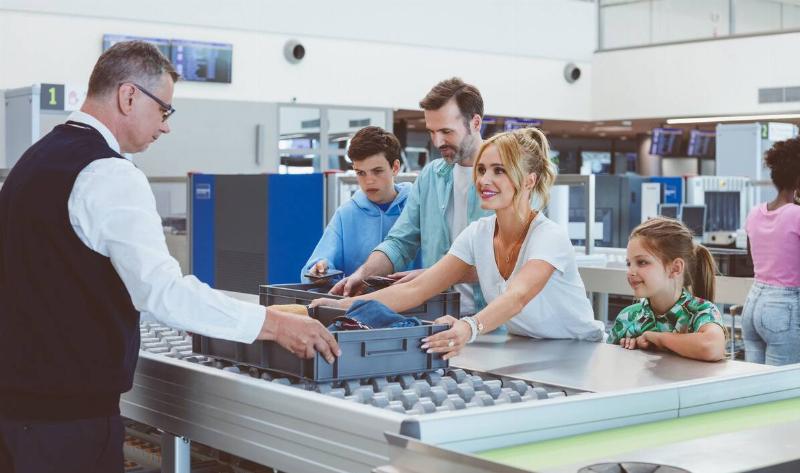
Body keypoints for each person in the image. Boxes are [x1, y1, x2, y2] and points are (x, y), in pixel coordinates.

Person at [0, 41, 339, 473]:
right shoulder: (108, 173)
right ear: (128, 96)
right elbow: (161, 294)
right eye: (164, 111)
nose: (165, 128)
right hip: (69, 425)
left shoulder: (32, 161)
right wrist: (273, 324)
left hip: (17, 414)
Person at [313, 128, 605, 359]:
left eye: (499, 171)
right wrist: (344, 305)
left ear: (529, 181)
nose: (485, 180)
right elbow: (416, 288)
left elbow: (517, 296)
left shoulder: (548, 236)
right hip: (526, 349)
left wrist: (469, 326)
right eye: (482, 170)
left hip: (581, 353)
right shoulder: (477, 233)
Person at [331, 78, 493, 316]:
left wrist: (435, 275)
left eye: (446, 131)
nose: (437, 142)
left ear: (475, 122)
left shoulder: (509, 179)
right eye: (432, 132)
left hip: (494, 323)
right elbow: (400, 242)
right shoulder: (430, 177)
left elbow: (510, 262)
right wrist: (362, 274)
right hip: (439, 319)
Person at [301, 126, 420, 282]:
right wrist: (319, 270)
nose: (369, 180)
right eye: (360, 173)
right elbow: (316, 265)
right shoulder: (346, 214)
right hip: (358, 304)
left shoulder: (417, 209)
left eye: (377, 171)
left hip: (414, 304)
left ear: (395, 167)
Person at [607, 217, 726, 362]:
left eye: (642, 262)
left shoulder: (702, 312)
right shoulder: (627, 318)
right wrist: (628, 350)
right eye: (629, 263)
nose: (631, 272)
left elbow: (711, 347)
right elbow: (610, 367)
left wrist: (657, 338)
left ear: (675, 268)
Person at [741, 137, 800, 365]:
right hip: (784, 308)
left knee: (757, 387)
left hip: (754, 302)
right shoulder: (796, 215)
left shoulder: (755, 213)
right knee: (784, 387)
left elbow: (750, 259)